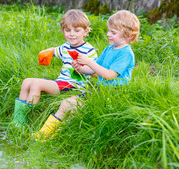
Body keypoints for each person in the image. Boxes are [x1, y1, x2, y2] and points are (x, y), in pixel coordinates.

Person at [33, 10, 140, 140]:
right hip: (101, 89)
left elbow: (109, 75)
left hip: (115, 92)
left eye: (113, 32)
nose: (108, 34)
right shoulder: (109, 49)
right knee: (67, 104)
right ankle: (46, 135)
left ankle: (48, 136)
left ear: (128, 35)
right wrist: (81, 69)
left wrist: (89, 62)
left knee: (71, 105)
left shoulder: (126, 53)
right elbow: (95, 70)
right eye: (109, 30)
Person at [12, 9, 98, 127]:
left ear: (86, 31)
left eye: (77, 30)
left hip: (74, 86)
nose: (72, 34)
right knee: (26, 82)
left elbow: (95, 69)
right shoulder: (65, 47)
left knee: (37, 83)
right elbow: (54, 51)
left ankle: (28, 117)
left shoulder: (89, 50)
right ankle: (17, 121)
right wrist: (45, 53)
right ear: (63, 31)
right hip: (61, 82)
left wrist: (81, 68)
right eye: (68, 30)